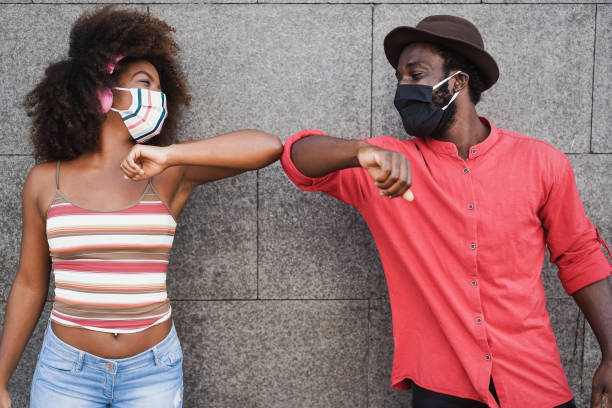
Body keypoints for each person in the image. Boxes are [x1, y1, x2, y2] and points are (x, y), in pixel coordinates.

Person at [281, 15, 612, 408]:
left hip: (534, 380)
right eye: (398, 79)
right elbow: (296, 158)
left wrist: (610, 355)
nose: (402, 89)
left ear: (457, 82)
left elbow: (580, 256)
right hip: (441, 388)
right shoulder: (386, 163)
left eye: (415, 74)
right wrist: (358, 150)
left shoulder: (542, 162)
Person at [0, 6, 282, 407]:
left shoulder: (169, 173)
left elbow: (268, 146)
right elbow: (29, 283)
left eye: (160, 88)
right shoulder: (46, 180)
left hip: (153, 371)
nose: (158, 99)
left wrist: (171, 155)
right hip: (67, 374)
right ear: (101, 92)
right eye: (146, 83)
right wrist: (0, 379)